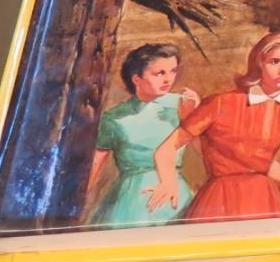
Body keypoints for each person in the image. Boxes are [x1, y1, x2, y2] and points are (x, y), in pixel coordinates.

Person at [145, 30, 280, 222]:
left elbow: (260, 162)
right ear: (260, 62)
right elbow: (166, 148)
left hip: (263, 199)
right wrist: (168, 183)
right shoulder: (221, 103)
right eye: (275, 62)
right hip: (221, 198)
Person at [82, 43, 200, 226]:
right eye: (159, 73)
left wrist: (192, 118)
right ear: (136, 79)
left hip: (174, 194)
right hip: (130, 199)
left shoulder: (182, 105)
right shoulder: (113, 118)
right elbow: (96, 164)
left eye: (173, 71)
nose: (168, 79)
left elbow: (204, 151)